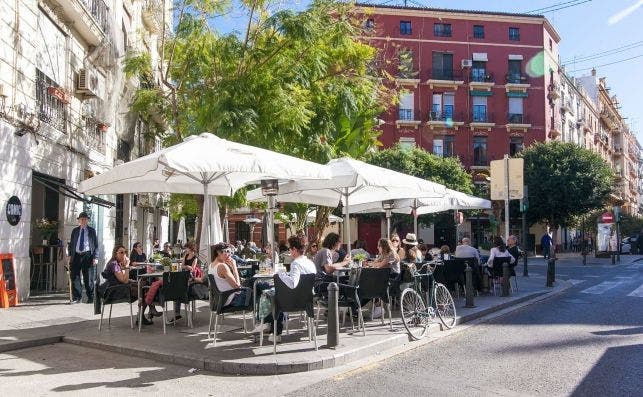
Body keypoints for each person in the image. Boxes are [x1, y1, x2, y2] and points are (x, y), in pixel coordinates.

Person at [258, 235, 317, 338]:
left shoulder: (296, 263)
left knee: (271, 295)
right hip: (307, 301)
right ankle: (269, 326)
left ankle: (274, 331)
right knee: (276, 293)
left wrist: (281, 273)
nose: (289, 251)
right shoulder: (310, 263)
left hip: (292, 301)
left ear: (294, 249)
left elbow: (293, 284)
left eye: (290, 248)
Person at [100, 245, 147, 322]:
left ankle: (144, 314)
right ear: (115, 254)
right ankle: (142, 315)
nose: (124, 254)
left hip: (119, 287)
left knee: (145, 285)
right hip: (114, 291)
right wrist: (127, 266)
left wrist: (125, 267)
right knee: (145, 291)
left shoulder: (118, 264)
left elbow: (125, 279)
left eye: (125, 252)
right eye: (121, 252)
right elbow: (124, 280)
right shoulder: (114, 264)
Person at [67, 211, 99, 304]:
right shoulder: (75, 231)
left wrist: (95, 257)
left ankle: (90, 297)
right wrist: (69, 254)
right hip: (76, 255)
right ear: (79, 221)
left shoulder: (92, 231)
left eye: (85, 219)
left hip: (87, 256)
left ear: (87, 220)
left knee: (88, 278)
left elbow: (96, 245)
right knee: (75, 277)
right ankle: (77, 297)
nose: (83, 221)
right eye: (82, 219)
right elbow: (71, 244)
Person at [209, 242, 250, 307]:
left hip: (221, 299)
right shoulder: (222, 266)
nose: (229, 255)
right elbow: (238, 287)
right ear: (219, 252)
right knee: (257, 293)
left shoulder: (211, 265)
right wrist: (234, 267)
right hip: (232, 300)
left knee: (252, 284)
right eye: (227, 251)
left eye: (230, 252)